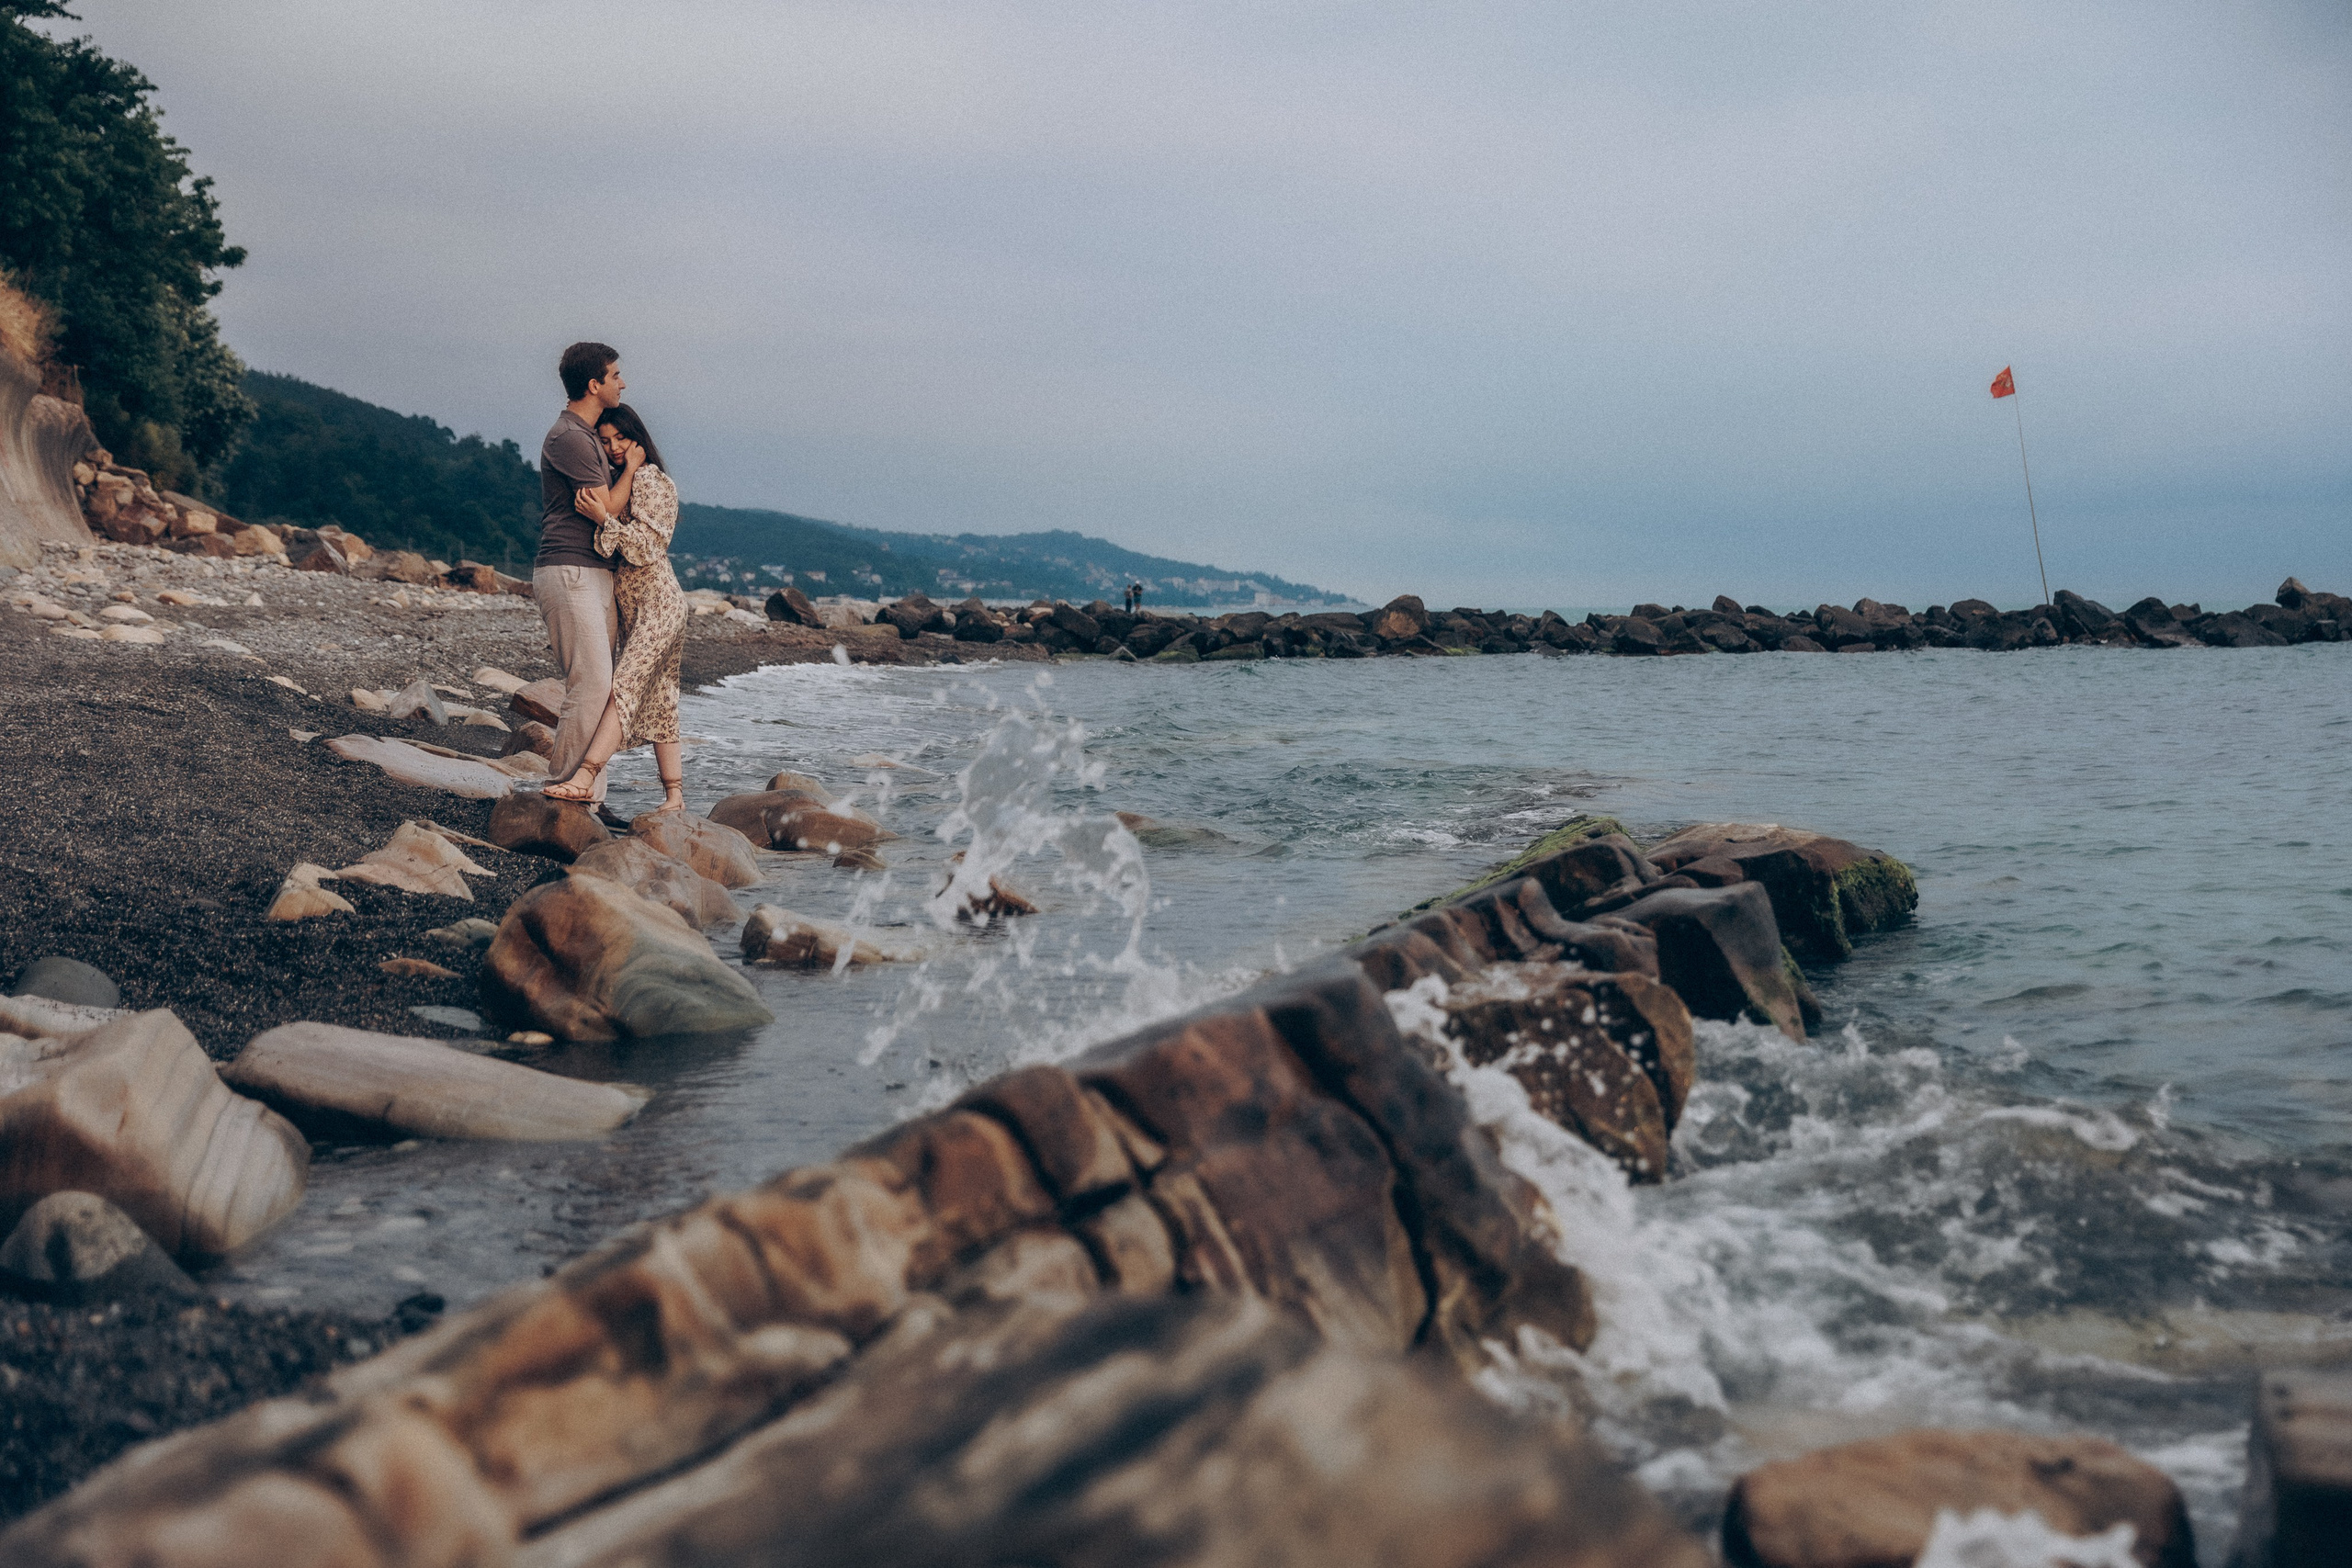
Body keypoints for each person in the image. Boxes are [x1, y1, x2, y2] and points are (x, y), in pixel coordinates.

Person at [542, 402, 686, 811]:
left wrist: (605, 519)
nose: (614, 447)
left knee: (622, 688)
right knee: (658, 696)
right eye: (605, 441)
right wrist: (609, 512)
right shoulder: (621, 480)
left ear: (638, 438)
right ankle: (674, 795)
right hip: (637, 610)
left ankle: (585, 775)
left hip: (660, 606)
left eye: (621, 438)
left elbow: (646, 548)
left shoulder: (654, 481)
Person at [535, 342, 625, 818]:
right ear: (594, 384)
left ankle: (592, 793)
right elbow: (605, 508)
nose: (622, 383)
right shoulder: (568, 436)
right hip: (569, 570)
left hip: (594, 572)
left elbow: (608, 508)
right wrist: (630, 467)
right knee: (590, 684)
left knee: (603, 685)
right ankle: (564, 789)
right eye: (615, 375)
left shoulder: (587, 435)